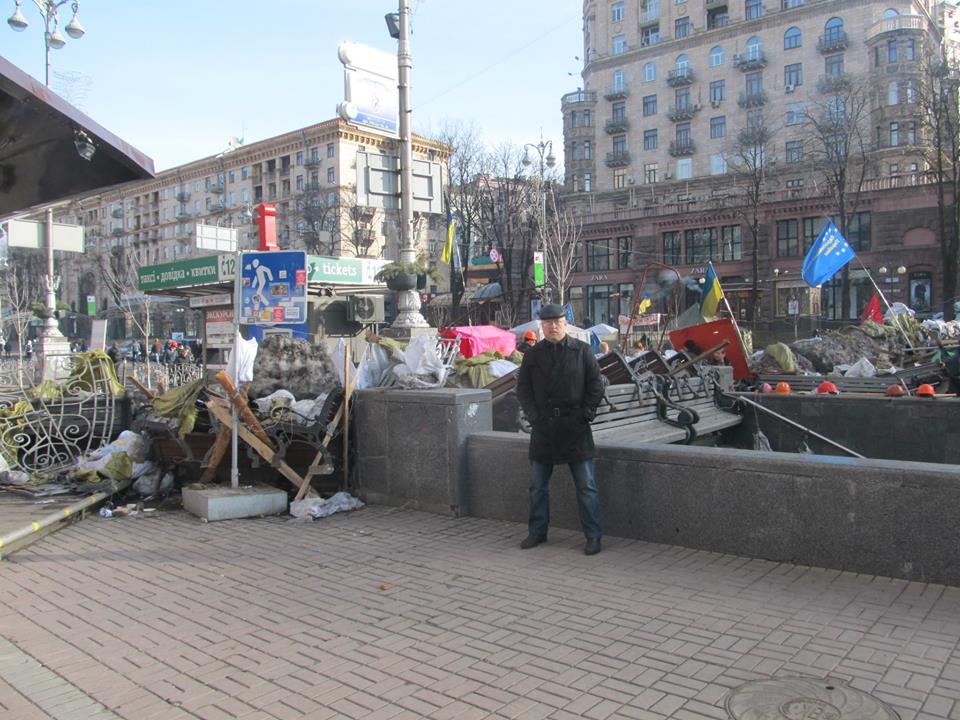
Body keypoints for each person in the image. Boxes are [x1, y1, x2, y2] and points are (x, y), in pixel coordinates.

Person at [516, 303, 605, 555]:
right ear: (541, 327)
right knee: (537, 486)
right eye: (547, 323)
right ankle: (537, 532)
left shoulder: (582, 351)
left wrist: (585, 414)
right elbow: (523, 389)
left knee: (586, 486)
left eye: (557, 322)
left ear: (565, 324)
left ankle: (594, 535)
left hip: (575, 427)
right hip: (543, 428)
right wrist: (534, 417)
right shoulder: (533, 355)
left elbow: (595, 386)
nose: (553, 326)